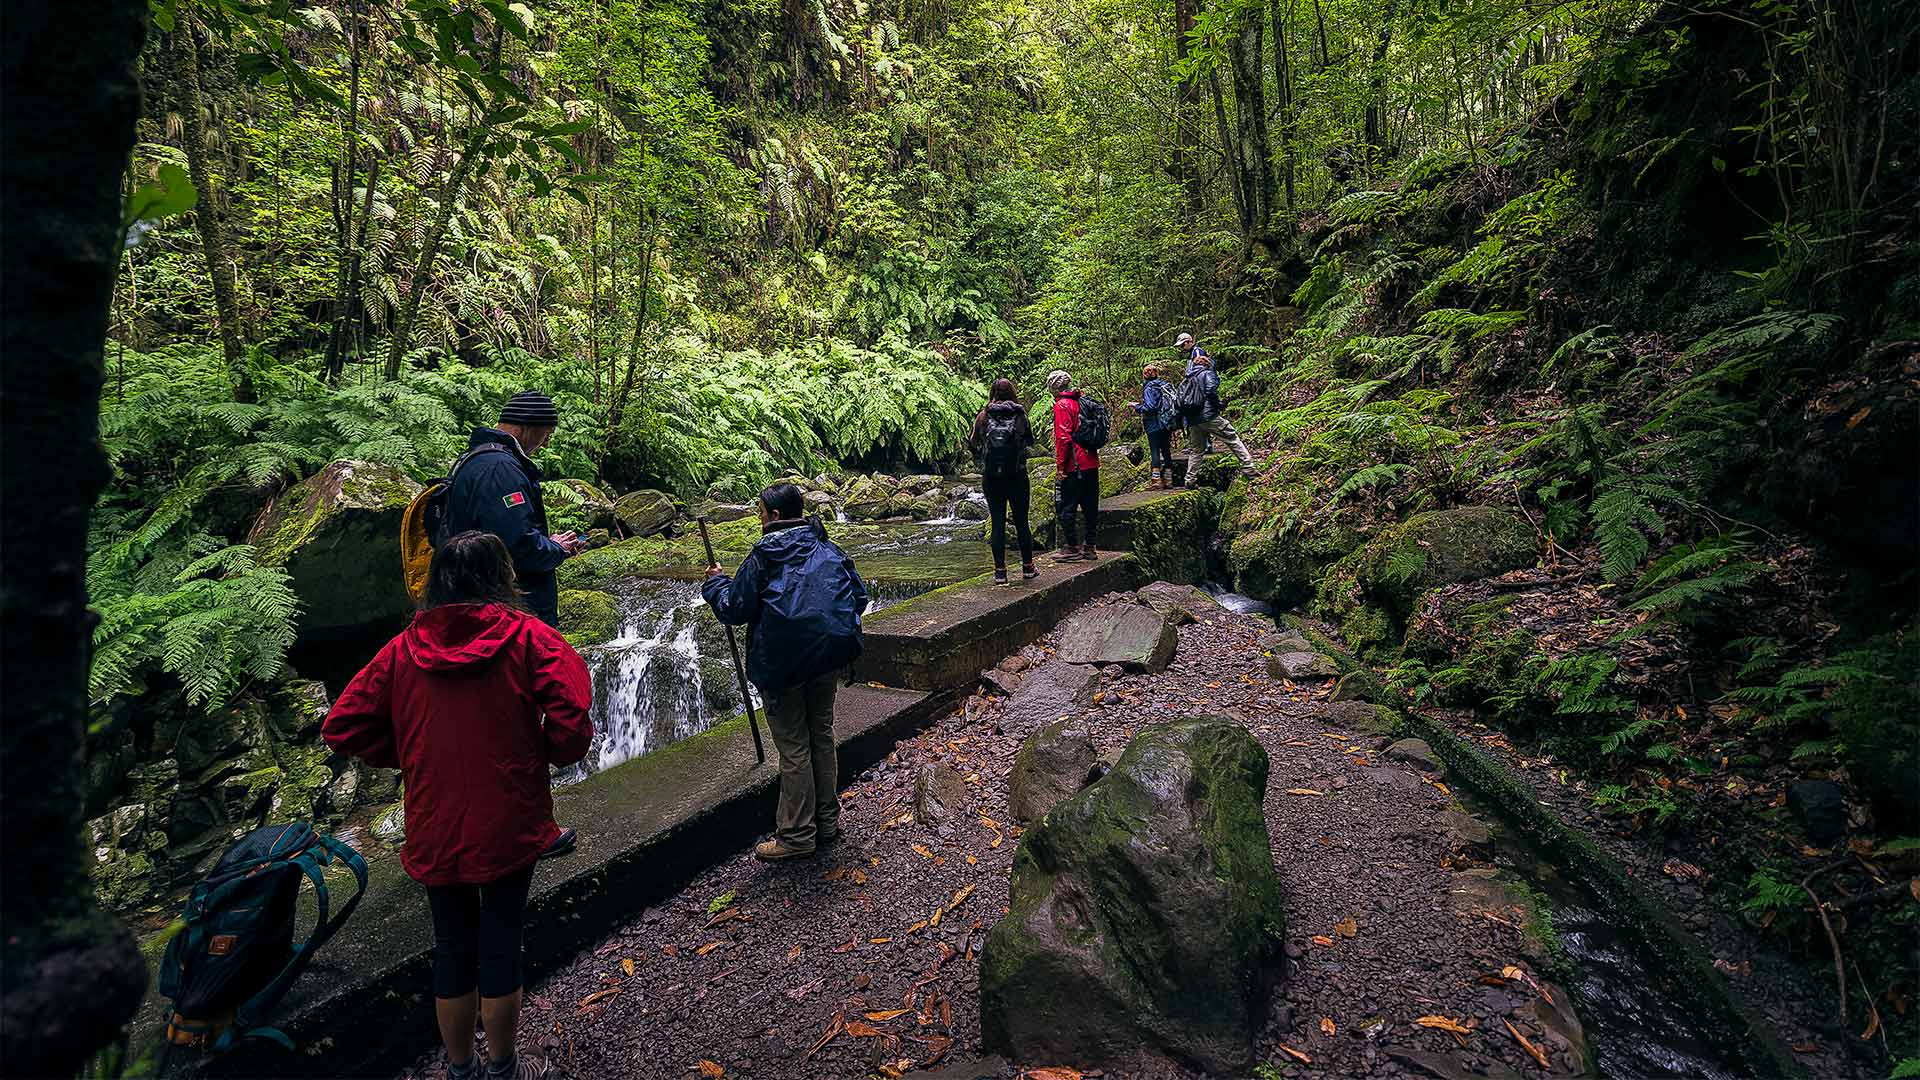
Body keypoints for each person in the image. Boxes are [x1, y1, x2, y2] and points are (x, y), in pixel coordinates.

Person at [322, 531, 592, 1080]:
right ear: (502, 578)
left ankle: (459, 1066)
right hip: (510, 814)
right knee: (501, 937)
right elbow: (571, 711)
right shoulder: (528, 638)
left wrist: (407, 753)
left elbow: (341, 725)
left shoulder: (402, 650)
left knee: (451, 944)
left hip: (433, 818)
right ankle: (503, 1065)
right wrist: (550, 751)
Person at [703, 483, 869, 862]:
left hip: (782, 666)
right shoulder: (826, 546)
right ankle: (827, 822)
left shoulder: (763, 556)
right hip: (827, 658)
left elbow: (735, 608)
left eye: (760, 511)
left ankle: (796, 835)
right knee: (821, 737)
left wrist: (715, 584)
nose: (758, 517)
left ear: (775, 516)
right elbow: (858, 596)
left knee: (794, 748)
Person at [439, 390, 587, 627]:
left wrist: (547, 542)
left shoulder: (478, 459)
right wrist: (557, 549)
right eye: (547, 433)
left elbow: (501, 532)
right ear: (526, 426)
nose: (547, 442)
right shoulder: (500, 470)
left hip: (477, 601)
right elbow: (518, 547)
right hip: (507, 611)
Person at [970, 378, 1038, 585]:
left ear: (993, 393)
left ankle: (1000, 572)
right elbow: (1030, 441)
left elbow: (973, 443)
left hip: (991, 478)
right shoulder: (1020, 415)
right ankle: (1028, 567)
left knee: (997, 523)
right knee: (1021, 522)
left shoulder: (983, 416)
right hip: (1017, 476)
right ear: (1012, 393)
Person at [1173, 339, 1255, 487]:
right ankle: (1249, 469)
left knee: (1196, 451)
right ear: (1207, 364)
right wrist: (1217, 406)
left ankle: (1190, 480)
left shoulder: (1187, 378)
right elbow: (1211, 390)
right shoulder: (1206, 374)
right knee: (1232, 438)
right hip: (1209, 416)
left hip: (1192, 420)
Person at [1046, 370, 1100, 561]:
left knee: (1065, 506)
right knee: (1090, 506)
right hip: (1091, 461)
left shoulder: (1062, 405)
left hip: (1074, 464)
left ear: (1054, 387)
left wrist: (1060, 467)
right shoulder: (1082, 401)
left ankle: (1072, 547)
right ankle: (1090, 547)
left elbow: (1063, 438)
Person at [1130, 364, 1178, 489]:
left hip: (1154, 423)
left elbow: (1150, 407)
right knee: (1166, 450)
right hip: (1167, 422)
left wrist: (1137, 407)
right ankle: (1168, 479)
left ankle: (1156, 480)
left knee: (1155, 450)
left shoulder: (1149, 387)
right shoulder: (1164, 385)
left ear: (1145, 375)